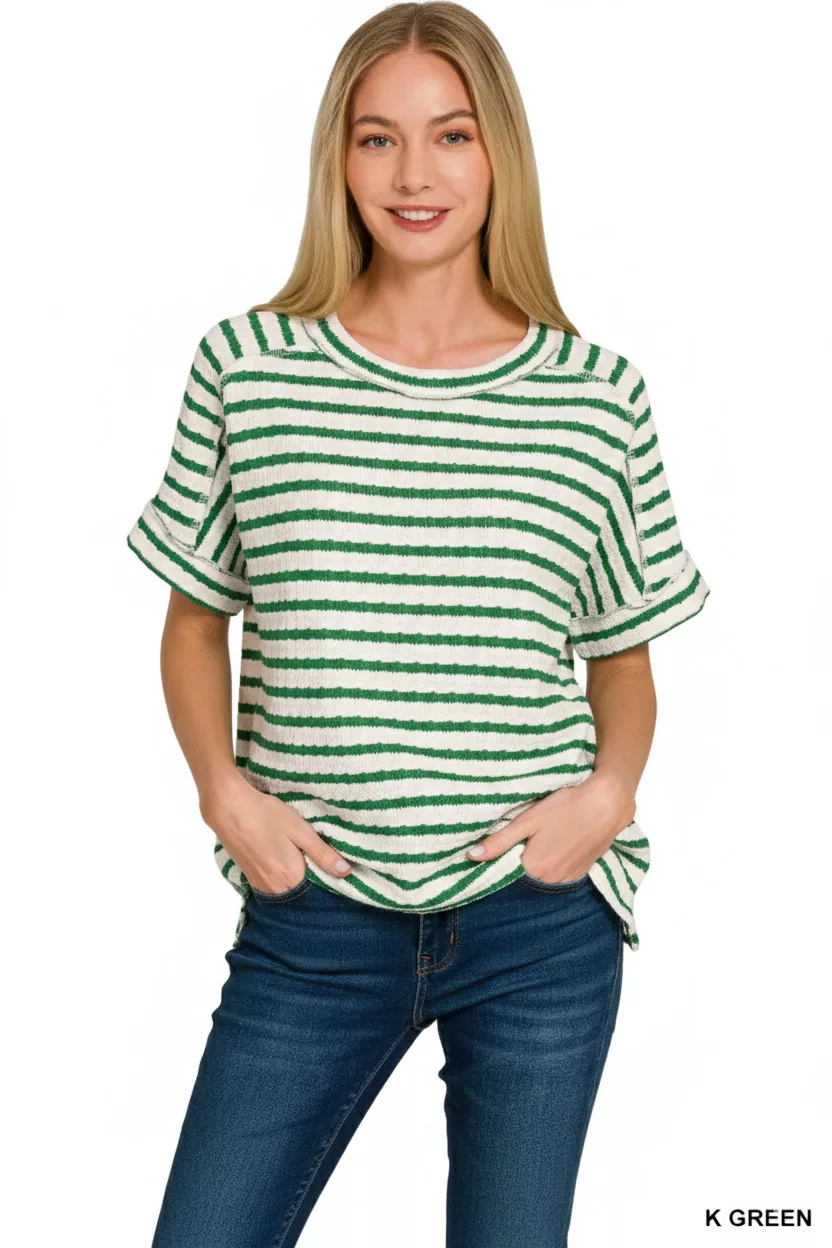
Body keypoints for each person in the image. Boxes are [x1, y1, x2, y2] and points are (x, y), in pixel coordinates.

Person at [126, 4, 710, 1245]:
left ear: (498, 153)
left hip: (536, 919)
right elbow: (192, 619)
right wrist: (222, 792)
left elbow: (623, 656)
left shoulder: (595, 395)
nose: (413, 175)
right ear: (338, 160)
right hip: (313, 915)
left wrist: (609, 795)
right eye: (376, 138)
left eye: (449, 135)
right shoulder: (249, 366)